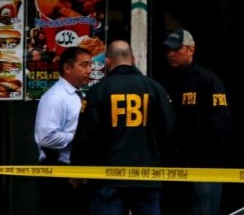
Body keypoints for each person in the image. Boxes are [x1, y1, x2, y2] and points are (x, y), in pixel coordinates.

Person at [71, 39, 175, 215]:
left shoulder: (99, 91)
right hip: (147, 177)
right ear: (132, 58)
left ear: (107, 62)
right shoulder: (155, 89)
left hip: (108, 178)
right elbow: (169, 130)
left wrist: (78, 167)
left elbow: (86, 134)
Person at [160, 28, 232, 215]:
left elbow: (220, 128)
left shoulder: (208, 81)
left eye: (177, 49)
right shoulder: (165, 81)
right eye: (168, 50)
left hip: (204, 166)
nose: (171, 54)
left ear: (191, 50)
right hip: (173, 167)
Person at [34, 46, 91, 215]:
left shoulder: (76, 95)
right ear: (67, 68)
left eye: (90, 65)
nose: (89, 70)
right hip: (58, 173)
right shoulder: (56, 97)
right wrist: (78, 136)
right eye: (84, 65)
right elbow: (46, 137)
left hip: (74, 173)